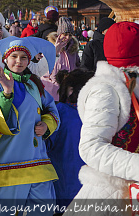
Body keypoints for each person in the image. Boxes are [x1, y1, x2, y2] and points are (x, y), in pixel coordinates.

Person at [67, 21, 139, 214]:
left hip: (138, 194)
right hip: (110, 194)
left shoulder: (138, 86)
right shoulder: (106, 90)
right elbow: (91, 147)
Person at [0, 36, 60, 215]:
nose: (19, 61)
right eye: (14, 56)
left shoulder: (35, 84)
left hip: (38, 160)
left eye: (23, 57)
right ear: (5, 59)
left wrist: (46, 125)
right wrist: (7, 92)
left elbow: (52, 111)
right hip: (8, 162)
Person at [46, 69, 93, 211]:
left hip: (66, 180)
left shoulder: (60, 110)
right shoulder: (61, 111)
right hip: (69, 178)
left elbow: (47, 143)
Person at [41, 17, 80, 100]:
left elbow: (77, 66)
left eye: (70, 35)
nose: (67, 37)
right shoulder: (51, 48)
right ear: (59, 34)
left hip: (69, 89)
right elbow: (44, 70)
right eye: (65, 34)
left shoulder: (73, 49)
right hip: (53, 89)